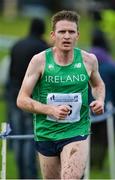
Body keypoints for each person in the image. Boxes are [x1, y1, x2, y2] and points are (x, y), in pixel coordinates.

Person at [17, 10, 105, 179]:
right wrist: (51, 110)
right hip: (46, 133)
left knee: (70, 177)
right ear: (53, 35)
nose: (66, 36)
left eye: (71, 32)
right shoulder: (39, 61)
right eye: (62, 32)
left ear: (77, 35)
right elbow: (22, 99)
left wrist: (100, 100)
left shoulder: (89, 60)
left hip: (76, 131)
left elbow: (98, 84)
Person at [6, 18, 49, 179]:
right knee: (30, 136)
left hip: (14, 96)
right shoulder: (42, 48)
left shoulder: (17, 44)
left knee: (18, 135)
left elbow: (10, 73)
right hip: (31, 98)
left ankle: (21, 173)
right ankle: (30, 175)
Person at [89, 28, 115, 169]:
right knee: (103, 138)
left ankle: (89, 161)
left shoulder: (84, 61)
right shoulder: (110, 65)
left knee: (88, 136)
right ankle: (98, 164)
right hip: (106, 106)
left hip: (86, 106)